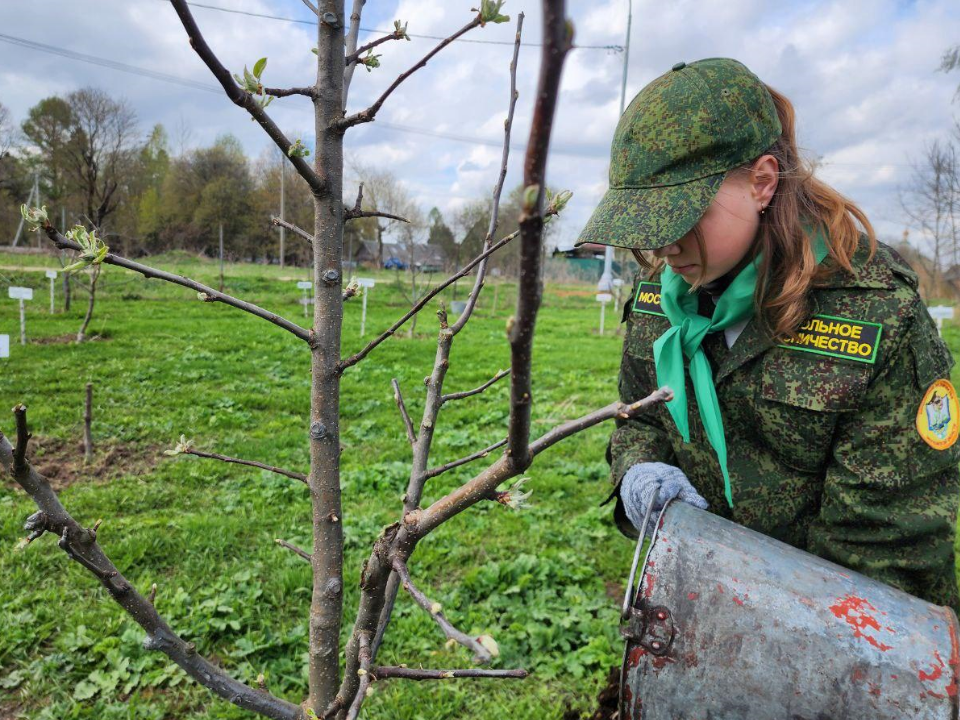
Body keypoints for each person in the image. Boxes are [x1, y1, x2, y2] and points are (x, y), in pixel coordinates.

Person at [576, 57, 960, 611]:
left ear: (761, 181)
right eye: (650, 227)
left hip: (841, 640)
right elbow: (640, 417)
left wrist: (770, 630)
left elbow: (889, 550)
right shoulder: (661, 294)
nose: (663, 249)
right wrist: (639, 471)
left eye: (681, 218)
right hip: (695, 605)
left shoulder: (876, 316)